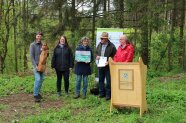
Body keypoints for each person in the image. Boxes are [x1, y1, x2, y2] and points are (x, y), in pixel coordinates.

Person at [96, 32, 116, 100]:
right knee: (101, 80)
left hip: (108, 66)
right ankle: (101, 93)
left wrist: (109, 61)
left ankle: (108, 95)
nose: (101, 39)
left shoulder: (112, 46)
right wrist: (97, 57)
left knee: (108, 81)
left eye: (102, 38)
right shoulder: (99, 44)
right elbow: (96, 53)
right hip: (100, 66)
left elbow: (115, 56)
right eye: (101, 38)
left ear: (106, 39)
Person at [30, 32, 45, 102]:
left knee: (42, 79)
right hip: (36, 65)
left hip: (42, 65)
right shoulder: (32, 45)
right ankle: (35, 95)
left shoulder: (43, 45)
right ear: (36, 37)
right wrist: (35, 66)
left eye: (40, 36)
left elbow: (45, 55)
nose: (39, 37)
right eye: (38, 36)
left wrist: (46, 52)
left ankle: (38, 93)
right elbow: (31, 56)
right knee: (38, 79)